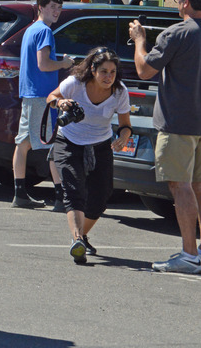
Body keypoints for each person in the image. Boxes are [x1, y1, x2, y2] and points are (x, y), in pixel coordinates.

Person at [129, 0, 201, 274]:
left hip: (179, 123)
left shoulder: (175, 33)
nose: (177, 3)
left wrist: (139, 40)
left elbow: (144, 70)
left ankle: (189, 253)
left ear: (186, 1)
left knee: (181, 186)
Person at [47, 47, 132, 264]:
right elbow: (51, 97)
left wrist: (123, 137)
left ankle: (82, 237)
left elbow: (125, 125)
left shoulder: (120, 92)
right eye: (104, 71)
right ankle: (77, 239)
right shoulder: (75, 84)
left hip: (100, 145)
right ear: (93, 69)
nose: (108, 77)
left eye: (112, 72)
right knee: (74, 190)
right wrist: (61, 103)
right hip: (69, 141)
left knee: (101, 196)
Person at [12, 0, 74, 209]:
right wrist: (64, 64)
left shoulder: (30, 30)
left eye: (59, 8)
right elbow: (44, 64)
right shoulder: (45, 32)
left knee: (23, 143)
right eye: (52, 7)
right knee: (53, 145)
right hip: (43, 96)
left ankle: (19, 194)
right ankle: (61, 198)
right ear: (40, 7)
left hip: (29, 94)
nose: (56, 11)